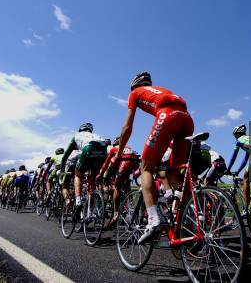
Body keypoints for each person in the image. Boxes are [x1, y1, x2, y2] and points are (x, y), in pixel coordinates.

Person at [115, 72, 194, 244]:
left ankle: (153, 220)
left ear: (134, 86)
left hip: (167, 116)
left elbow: (127, 127)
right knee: (173, 171)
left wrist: (119, 153)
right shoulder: (160, 90)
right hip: (187, 118)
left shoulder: (135, 93)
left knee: (146, 167)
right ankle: (193, 215)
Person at [61, 122, 109, 214]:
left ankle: (78, 201)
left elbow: (65, 156)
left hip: (88, 149)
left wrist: (63, 170)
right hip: (103, 152)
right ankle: (91, 210)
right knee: (92, 180)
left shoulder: (76, 136)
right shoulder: (96, 135)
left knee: (78, 175)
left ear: (80, 129)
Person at [96, 137, 140, 226]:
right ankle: (129, 205)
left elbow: (106, 164)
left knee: (117, 187)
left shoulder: (114, 149)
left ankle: (116, 214)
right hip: (134, 162)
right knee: (126, 183)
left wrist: (100, 174)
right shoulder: (129, 147)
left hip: (124, 163)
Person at [226, 124, 251, 205]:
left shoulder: (239, 141)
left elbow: (233, 157)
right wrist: (238, 171)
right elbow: (245, 159)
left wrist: (228, 169)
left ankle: (246, 207)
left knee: (245, 177)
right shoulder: (250, 139)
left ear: (237, 134)